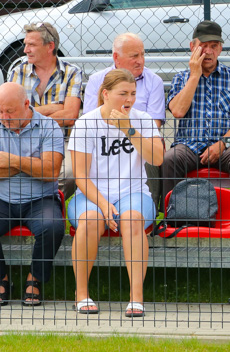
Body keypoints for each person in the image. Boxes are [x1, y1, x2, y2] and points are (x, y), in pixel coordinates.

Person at [68, 69, 164, 317]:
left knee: (132, 219)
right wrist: (102, 203)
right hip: (91, 194)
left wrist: (128, 129)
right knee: (90, 220)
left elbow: (157, 158)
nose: (129, 99)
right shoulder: (86, 123)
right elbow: (80, 175)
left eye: (133, 93)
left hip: (133, 192)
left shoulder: (142, 119)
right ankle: (81, 294)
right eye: (123, 93)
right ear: (105, 94)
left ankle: (136, 297)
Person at [0, 82, 65, 307]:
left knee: (52, 227)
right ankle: (0, 280)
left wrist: (11, 161)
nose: (3, 116)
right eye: (0, 110)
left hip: (41, 199)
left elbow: (51, 171)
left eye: (9, 111)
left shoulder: (49, 126)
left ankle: (35, 279)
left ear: (26, 104)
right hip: (0, 199)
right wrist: (33, 164)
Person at [161, 21, 230, 219]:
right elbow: (177, 111)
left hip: (226, 145)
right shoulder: (181, 78)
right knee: (170, 159)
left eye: (214, 46)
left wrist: (222, 144)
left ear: (220, 48)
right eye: (203, 46)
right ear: (193, 47)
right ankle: (173, 220)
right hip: (189, 145)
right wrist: (195, 75)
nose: (208, 51)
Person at [7, 22, 82, 197]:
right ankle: (34, 204)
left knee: (69, 174)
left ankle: (46, 202)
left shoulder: (71, 73)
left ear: (50, 47)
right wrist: (55, 108)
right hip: (22, 137)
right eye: (26, 44)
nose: (25, 50)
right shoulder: (18, 72)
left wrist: (29, 114)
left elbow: (70, 116)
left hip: (60, 140)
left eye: (31, 45)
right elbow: (11, 115)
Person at [82, 33, 165, 127]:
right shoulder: (96, 80)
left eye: (142, 55)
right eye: (134, 56)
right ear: (116, 57)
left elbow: (154, 126)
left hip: (140, 139)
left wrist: (128, 130)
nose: (140, 61)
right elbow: (89, 122)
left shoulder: (154, 81)